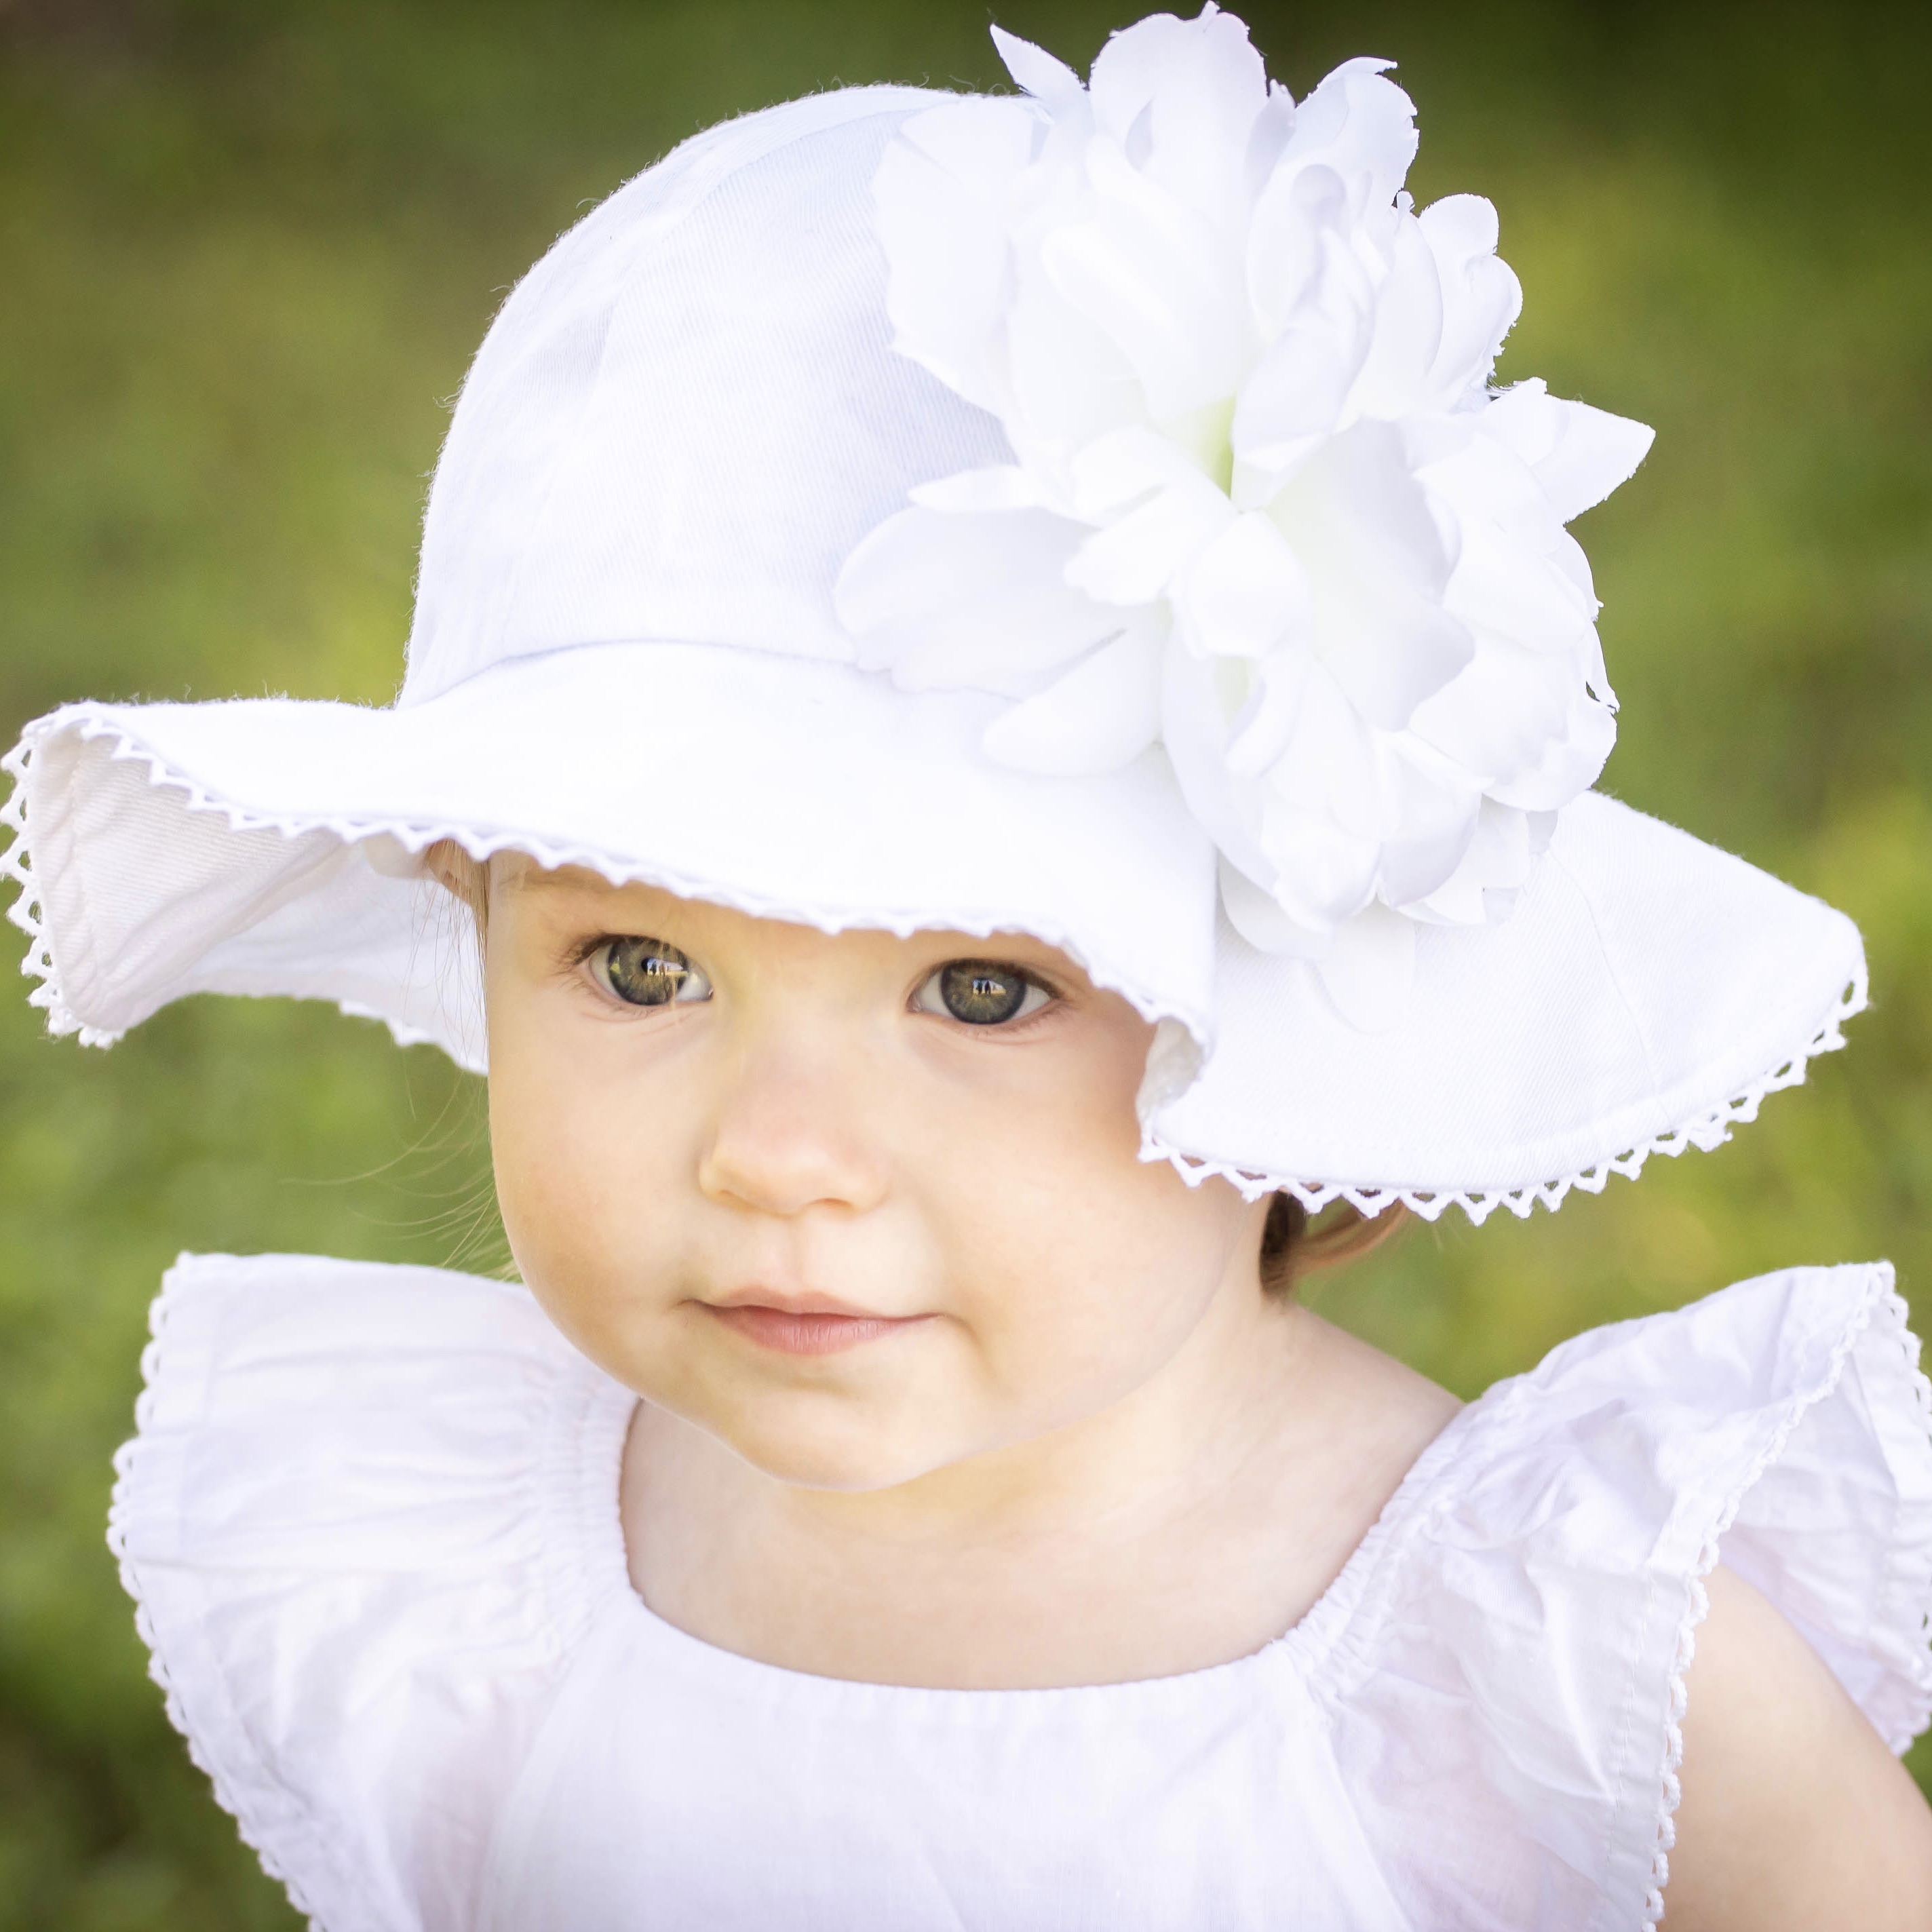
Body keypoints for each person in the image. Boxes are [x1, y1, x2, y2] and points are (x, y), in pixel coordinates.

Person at [7, 8, 1931, 1927]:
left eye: (986, 991)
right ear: (470, 894)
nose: (777, 1154)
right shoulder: (483, 1587)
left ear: (1284, 995)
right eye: (641, 968)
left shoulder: (1540, 1667)